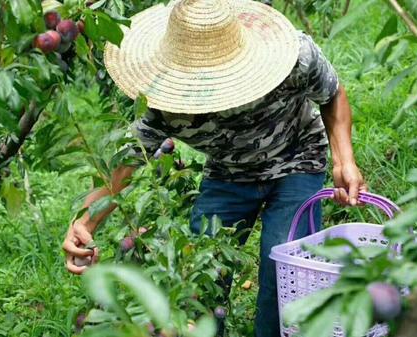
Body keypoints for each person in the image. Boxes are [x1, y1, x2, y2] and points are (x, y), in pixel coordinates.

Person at [62, 0, 368, 335]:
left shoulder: (295, 57)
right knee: (198, 278)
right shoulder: (164, 101)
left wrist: (345, 160)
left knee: (285, 276)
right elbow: (130, 159)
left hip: (298, 158)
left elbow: (333, 93)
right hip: (228, 171)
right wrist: (86, 222)